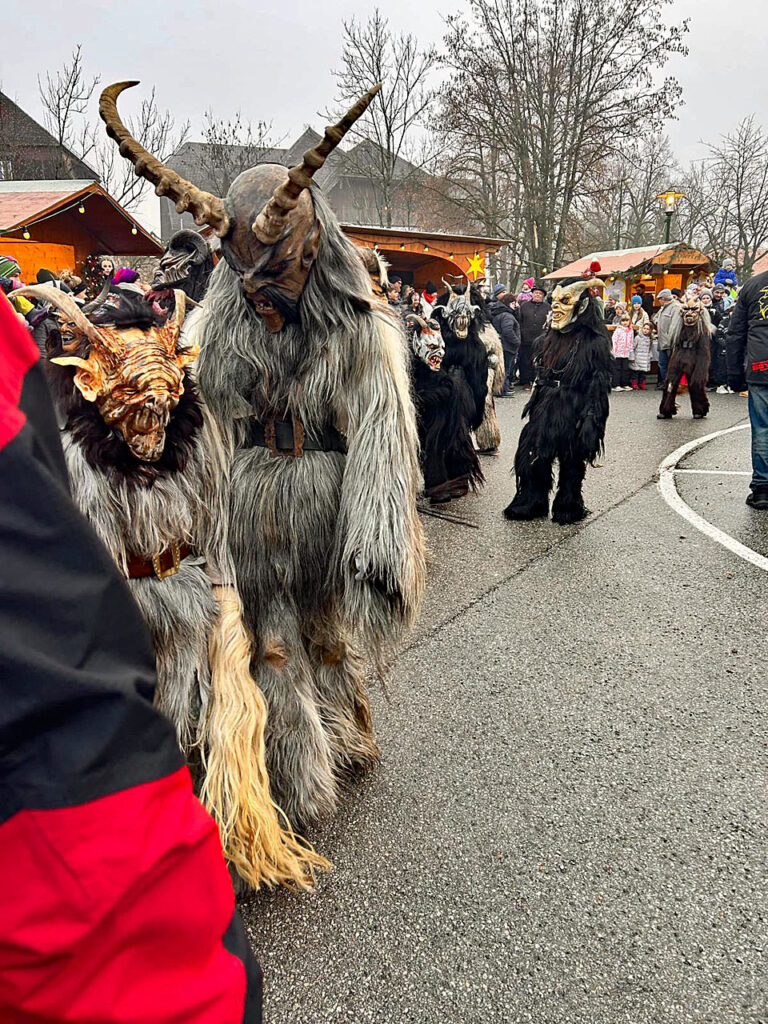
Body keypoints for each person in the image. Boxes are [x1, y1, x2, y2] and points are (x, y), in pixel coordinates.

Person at [0, 290, 263, 1021]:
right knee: (133, 747)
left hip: (184, 593)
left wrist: (224, 595)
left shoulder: (194, 435)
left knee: (198, 726)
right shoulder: (70, 447)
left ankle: (212, 846)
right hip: (121, 607)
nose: (149, 422)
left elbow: (216, 516)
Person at [726, 269, 768, 508]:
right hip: (760, 364)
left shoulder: (752, 286)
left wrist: (734, 374)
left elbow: (736, 334)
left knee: (763, 429)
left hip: (761, 365)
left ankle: (763, 488)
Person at [489, 284, 520, 395]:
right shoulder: (507, 316)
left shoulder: (500, 313)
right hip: (507, 346)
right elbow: (508, 331)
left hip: (502, 345)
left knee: (502, 369)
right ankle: (503, 389)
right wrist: (517, 342)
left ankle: (501, 388)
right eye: (513, 303)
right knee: (505, 369)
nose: (516, 305)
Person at [516, 282, 549, 388]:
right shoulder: (524, 306)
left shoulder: (548, 307)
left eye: (540, 293)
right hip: (526, 339)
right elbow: (519, 321)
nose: (538, 295)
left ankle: (537, 379)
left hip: (541, 340)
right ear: (532, 294)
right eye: (536, 293)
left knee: (540, 361)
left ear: (543, 296)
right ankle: (525, 381)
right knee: (525, 361)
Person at [653, 288, 681, 389]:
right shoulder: (662, 308)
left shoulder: (676, 307)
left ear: (664, 298)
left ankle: (672, 384)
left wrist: (671, 339)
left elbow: (674, 325)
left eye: (659, 299)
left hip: (670, 343)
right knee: (662, 364)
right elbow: (655, 318)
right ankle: (666, 382)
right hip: (662, 342)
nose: (659, 301)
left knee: (672, 365)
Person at [611, 313, 635, 390]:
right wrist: (614, 351)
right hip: (618, 352)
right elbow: (614, 341)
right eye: (623, 321)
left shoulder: (631, 331)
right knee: (617, 368)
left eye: (627, 321)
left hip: (626, 353)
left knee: (625, 369)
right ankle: (616, 384)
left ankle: (624, 384)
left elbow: (631, 341)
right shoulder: (618, 330)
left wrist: (631, 352)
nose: (625, 323)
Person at [630, 320, 653, 390]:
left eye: (647, 329)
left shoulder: (650, 339)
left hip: (645, 358)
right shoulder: (638, 338)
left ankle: (641, 383)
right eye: (644, 328)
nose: (645, 330)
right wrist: (632, 356)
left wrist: (650, 356)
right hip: (637, 357)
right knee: (636, 372)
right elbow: (633, 347)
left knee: (642, 373)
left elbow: (650, 348)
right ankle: (634, 383)